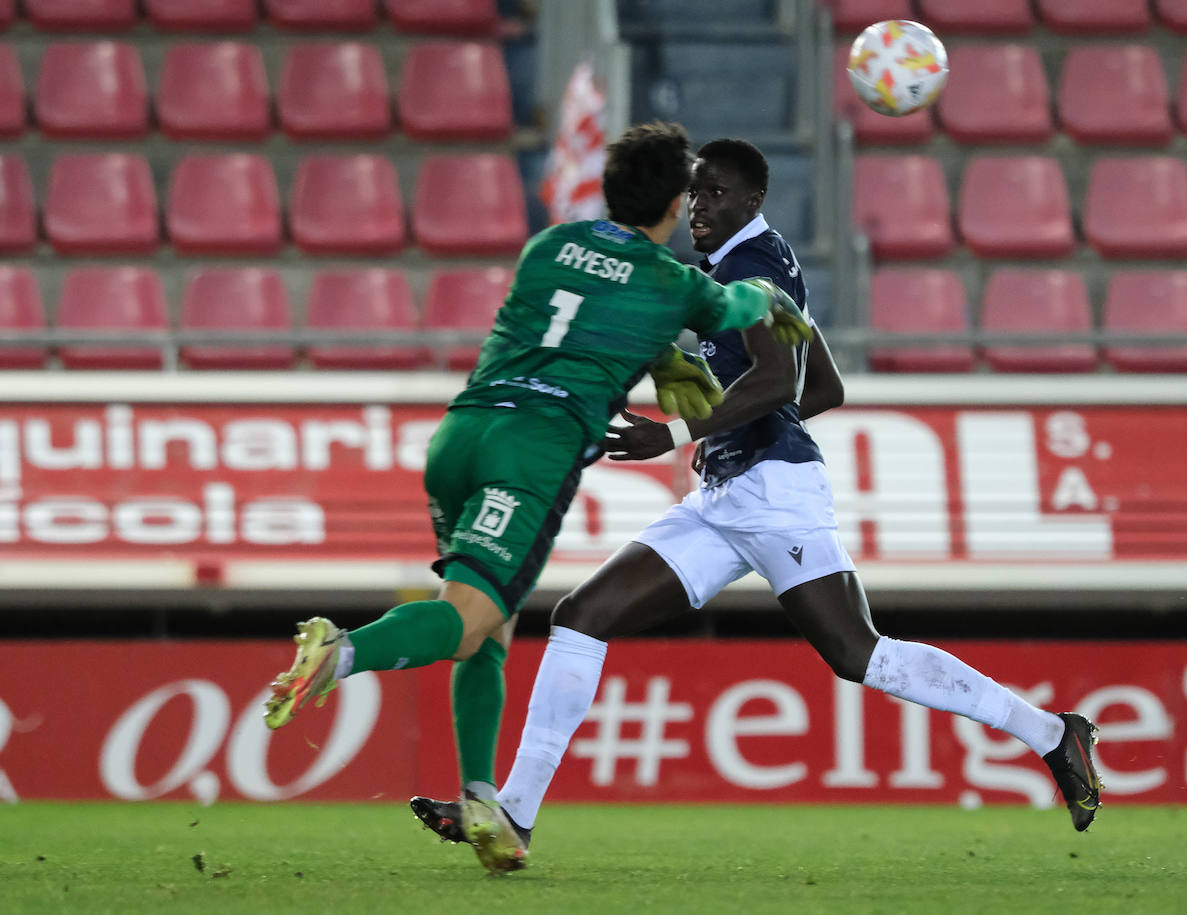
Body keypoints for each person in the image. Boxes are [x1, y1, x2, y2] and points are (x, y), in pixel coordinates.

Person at [416, 138, 1102, 875]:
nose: (700, 208)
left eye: (715, 195)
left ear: (751, 201)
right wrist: (728, 428)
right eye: (696, 194)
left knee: (858, 654)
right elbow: (824, 385)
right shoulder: (746, 264)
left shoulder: (752, 266)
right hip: (723, 495)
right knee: (583, 617)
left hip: (775, 495)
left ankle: (1052, 733)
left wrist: (676, 432)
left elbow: (779, 379)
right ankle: (514, 813)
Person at [260, 118, 811, 797]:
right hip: (532, 451)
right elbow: (734, 305)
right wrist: (771, 298)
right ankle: (341, 651)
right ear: (674, 206)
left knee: (488, 619)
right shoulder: (674, 283)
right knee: (467, 621)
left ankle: (481, 798)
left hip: (460, 436)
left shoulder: (549, 245)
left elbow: (577, 320)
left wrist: (657, 353)